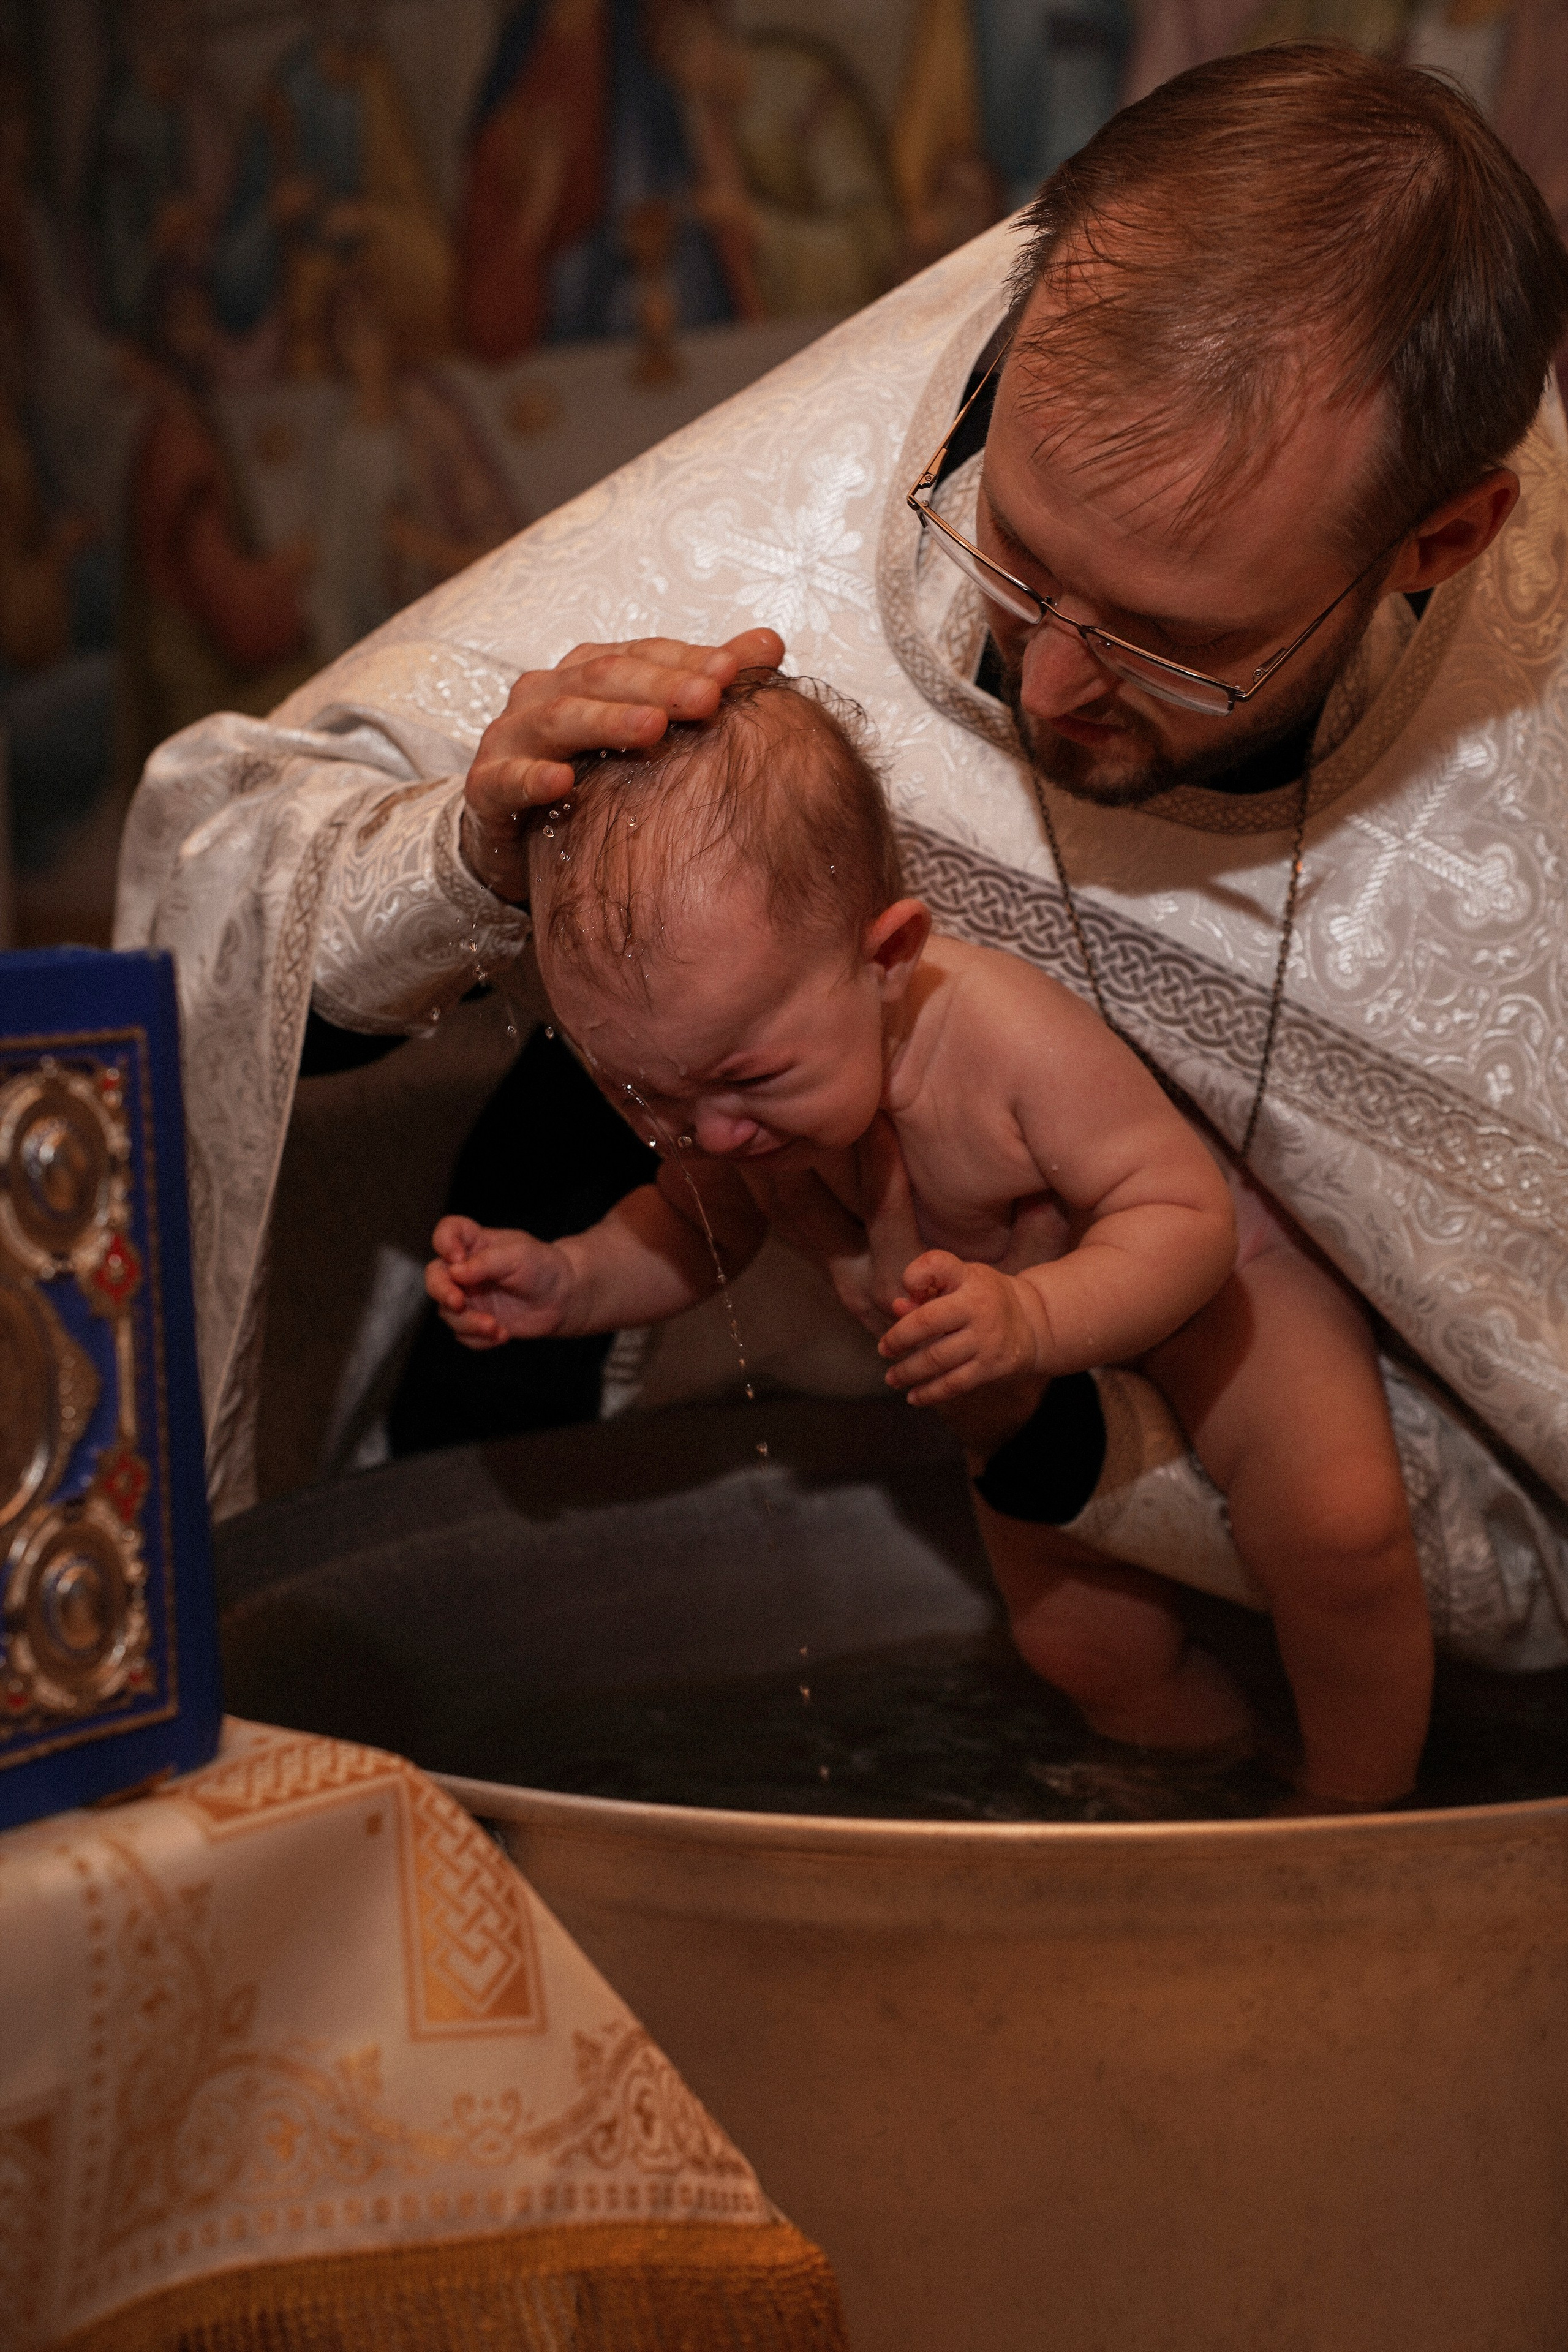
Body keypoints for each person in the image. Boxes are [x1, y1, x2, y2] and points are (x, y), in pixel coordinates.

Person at [119, 42, 1568, 1743]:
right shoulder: (854, 467)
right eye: (1015, 563)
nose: (1038, 692)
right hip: (836, 1391)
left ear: (1442, 541)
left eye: (1176, 645)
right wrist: (464, 854)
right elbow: (228, 878)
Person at [427, 673, 1433, 1805]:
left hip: (1214, 1303)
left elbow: (1185, 1215)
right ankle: (1199, 1780)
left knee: (1340, 1536)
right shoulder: (733, 1108)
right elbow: (690, 1227)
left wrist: (1036, 1317)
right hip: (1011, 1372)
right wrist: (569, 1281)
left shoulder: (1001, 1041)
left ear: (889, 955)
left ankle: (1354, 1812)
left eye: (748, 1076)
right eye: (647, 1097)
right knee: (1082, 1646)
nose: (709, 1133)